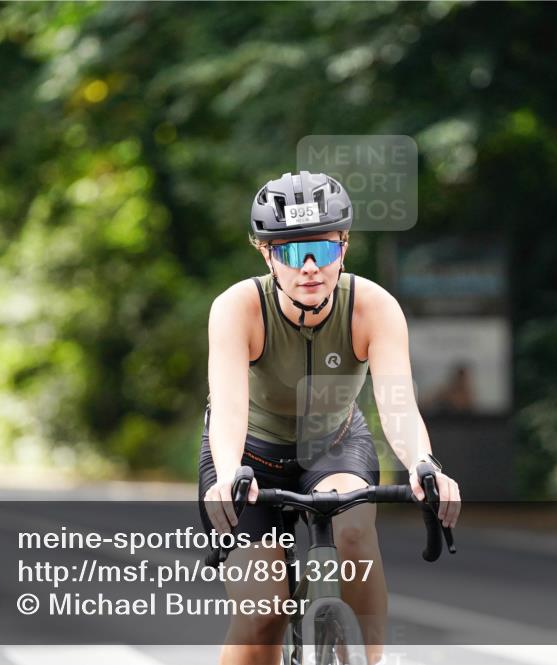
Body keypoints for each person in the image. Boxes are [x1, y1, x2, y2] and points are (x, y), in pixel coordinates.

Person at [199, 170, 461, 665]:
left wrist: (425, 463)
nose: (312, 268)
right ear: (266, 253)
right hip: (248, 452)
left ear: (345, 244)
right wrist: (230, 473)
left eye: (326, 250)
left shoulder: (372, 307)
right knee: (264, 612)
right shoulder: (238, 308)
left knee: (356, 531)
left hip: (333, 444)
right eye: (295, 253)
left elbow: (398, 404)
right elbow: (229, 406)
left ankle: (374, 660)